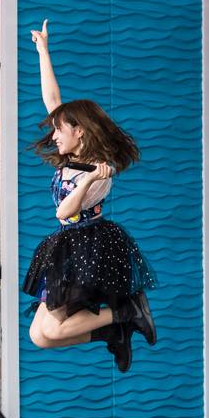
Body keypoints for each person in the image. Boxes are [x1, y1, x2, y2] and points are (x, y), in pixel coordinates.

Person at [23, 20, 157, 373]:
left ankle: (128, 311)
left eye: (60, 130)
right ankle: (114, 331)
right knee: (39, 336)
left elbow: (65, 212)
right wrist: (43, 50)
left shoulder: (99, 173)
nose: (54, 135)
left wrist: (87, 182)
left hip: (89, 248)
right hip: (68, 246)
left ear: (79, 131)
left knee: (53, 328)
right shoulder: (73, 160)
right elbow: (53, 100)